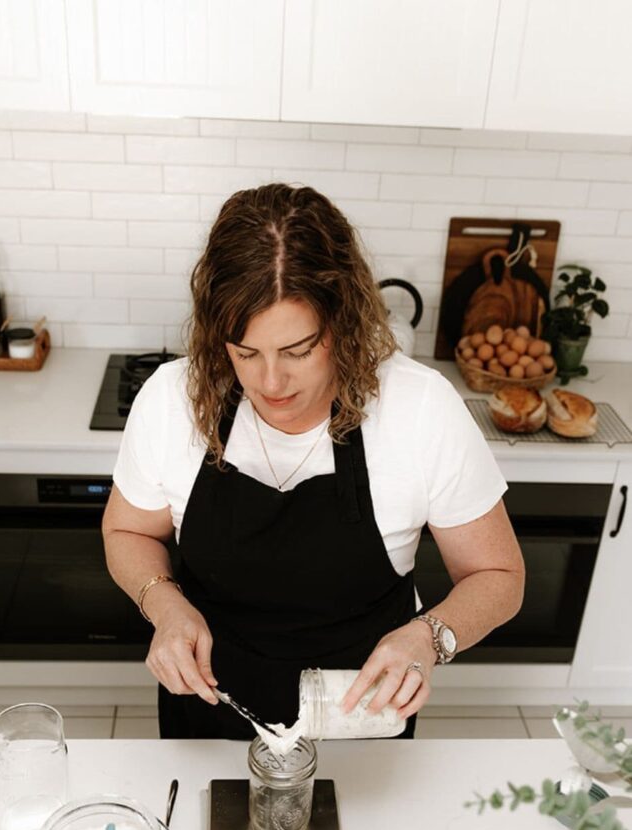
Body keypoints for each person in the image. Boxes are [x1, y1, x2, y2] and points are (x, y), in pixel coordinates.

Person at [102, 183, 525, 740]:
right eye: (245, 353)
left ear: (343, 322)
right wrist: (164, 604)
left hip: (359, 712)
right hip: (207, 701)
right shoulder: (172, 399)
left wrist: (429, 635)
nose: (269, 382)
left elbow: (499, 577)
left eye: (298, 350)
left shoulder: (419, 409)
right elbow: (126, 531)